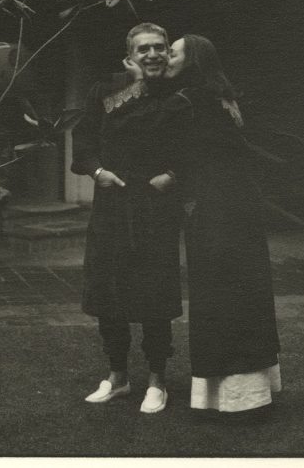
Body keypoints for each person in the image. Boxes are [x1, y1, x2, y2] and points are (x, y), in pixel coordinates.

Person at [130, 34, 281, 419]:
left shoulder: (187, 100)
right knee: (244, 291)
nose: (166, 58)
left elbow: (152, 134)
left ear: (191, 61)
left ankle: (233, 396)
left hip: (215, 210)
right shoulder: (221, 98)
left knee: (219, 292)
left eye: (173, 53)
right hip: (241, 207)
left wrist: (140, 83)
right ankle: (253, 390)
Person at [71, 22, 187, 414]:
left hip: (155, 207)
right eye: (144, 50)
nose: (153, 55)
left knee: (155, 294)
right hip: (112, 206)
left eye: (160, 48)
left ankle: (157, 380)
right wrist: (97, 171)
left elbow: (197, 147)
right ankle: (118, 377)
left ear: (169, 53)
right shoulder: (105, 91)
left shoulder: (178, 94)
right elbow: (84, 140)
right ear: (129, 57)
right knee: (109, 294)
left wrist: (174, 175)